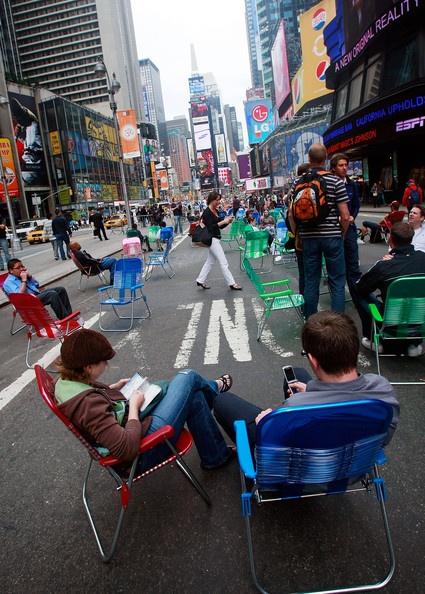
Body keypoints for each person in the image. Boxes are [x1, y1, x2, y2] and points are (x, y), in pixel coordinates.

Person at [54, 328, 234, 473]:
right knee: (189, 377)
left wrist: (111, 389)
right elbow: (126, 449)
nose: (106, 365)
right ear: (88, 367)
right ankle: (214, 388)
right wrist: (133, 407)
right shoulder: (87, 405)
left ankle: (216, 456)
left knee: (191, 394)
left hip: (132, 426)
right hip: (141, 452)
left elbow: (96, 406)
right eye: (103, 362)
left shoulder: (66, 383)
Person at [213, 311, 399, 450]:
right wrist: (312, 392)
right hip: (355, 465)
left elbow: (276, 448)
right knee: (296, 373)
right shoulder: (382, 390)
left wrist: (264, 424)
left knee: (221, 399)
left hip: (306, 474)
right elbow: (384, 437)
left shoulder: (293, 409)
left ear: (313, 360)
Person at [288, 144, 350, 318]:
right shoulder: (336, 181)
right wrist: (342, 233)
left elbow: (291, 215)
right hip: (332, 237)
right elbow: (345, 216)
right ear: (326, 159)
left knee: (310, 281)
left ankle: (311, 322)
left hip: (308, 238)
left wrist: (297, 234)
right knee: (337, 281)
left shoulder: (298, 182)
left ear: (309, 159)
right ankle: (337, 324)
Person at [354, 222, 425, 356]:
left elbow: (360, 287)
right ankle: (414, 343)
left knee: (359, 293)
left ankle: (375, 341)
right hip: (420, 318)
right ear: (411, 238)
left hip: (391, 321)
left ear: (390, 239)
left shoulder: (384, 265)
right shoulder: (423, 257)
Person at [196, 191, 242, 291]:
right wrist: (223, 222)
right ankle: (232, 283)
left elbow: (219, 225)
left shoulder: (214, 211)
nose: (218, 202)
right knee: (223, 262)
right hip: (212, 239)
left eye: (219, 200)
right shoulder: (207, 212)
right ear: (211, 200)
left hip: (215, 238)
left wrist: (227, 221)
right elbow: (211, 228)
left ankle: (200, 280)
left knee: (210, 262)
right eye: (217, 200)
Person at [330, 153, 361, 299]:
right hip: (334, 229)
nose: (344, 168)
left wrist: (352, 216)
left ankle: (357, 295)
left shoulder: (352, 184)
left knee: (353, 264)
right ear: (334, 168)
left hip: (350, 229)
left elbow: (356, 204)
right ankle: (339, 296)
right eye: (340, 165)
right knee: (338, 266)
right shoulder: (329, 183)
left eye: (345, 165)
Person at [4, 258, 73, 320]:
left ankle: (69, 315)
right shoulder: (8, 282)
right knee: (52, 294)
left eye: (22, 266)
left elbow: (36, 285)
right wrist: (24, 280)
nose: (22, 269)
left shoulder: (21, 275)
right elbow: (20, 296)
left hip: (36, 295)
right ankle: (66, 319)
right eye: (18, 267)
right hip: (27, 302)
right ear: (11, 270)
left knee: (60, 289)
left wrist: (30, 277)